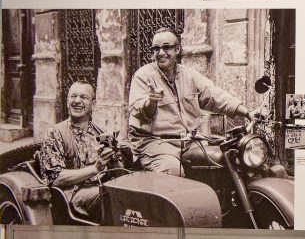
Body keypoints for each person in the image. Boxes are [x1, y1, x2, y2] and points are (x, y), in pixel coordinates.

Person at [127, 28, 261, 177]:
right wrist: (151, 102)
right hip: (155, 143)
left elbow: (214, 95)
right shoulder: (143, 76)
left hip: (188, 142)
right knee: (173, 172)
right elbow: (138, 112)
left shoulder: (189, 75)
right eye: (156, 48)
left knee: (222, 161)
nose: (160, 53)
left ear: (177, 49)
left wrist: (247, 112)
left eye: (166, 47)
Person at [36, 82, 121, 221]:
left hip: (101, 187)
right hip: (70, 196)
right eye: (73, 96)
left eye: (83, 97)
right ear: (67, 101)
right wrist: (95, 168)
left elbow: (116, 172)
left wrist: (116, 157)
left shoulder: (102, 133)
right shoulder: (54, 133)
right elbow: (55, 179)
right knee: (112, 195)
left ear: (93, 104)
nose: (77, 101)